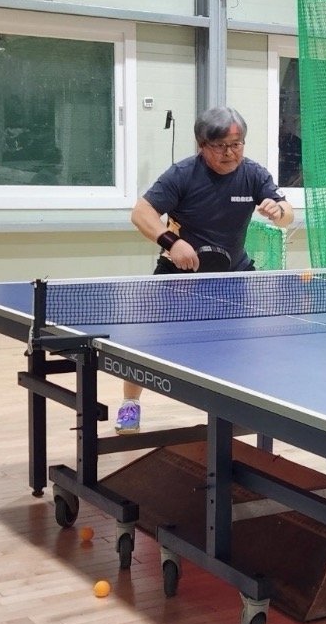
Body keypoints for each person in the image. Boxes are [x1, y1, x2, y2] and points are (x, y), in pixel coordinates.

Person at [116, 106, 294, 434]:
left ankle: (242, 406)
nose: (230, 153)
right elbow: (141, 212)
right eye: (220, 146)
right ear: (202, 145)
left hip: (234, 274)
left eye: (236, 145)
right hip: (179, 274)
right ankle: (130, 403)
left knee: (244, 342)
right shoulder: (182, 174)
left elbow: (287, 215)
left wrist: (278, 210)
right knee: (144, 340)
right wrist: (171, 241)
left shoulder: (254, 174)